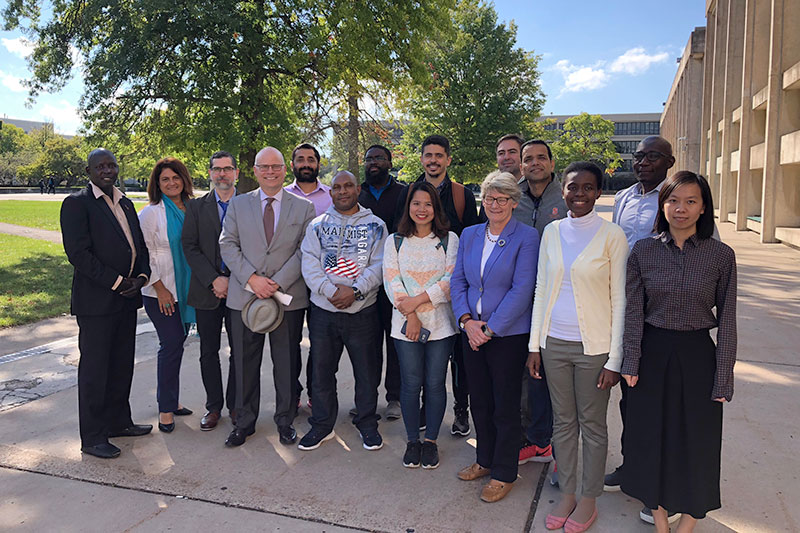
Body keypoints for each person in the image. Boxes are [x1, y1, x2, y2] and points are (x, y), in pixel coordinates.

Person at [621, 171, 737, 533]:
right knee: (648, 434)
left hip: (697, 353)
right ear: (662, 204)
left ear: (703, 208)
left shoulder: (720, 256)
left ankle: (690, 518)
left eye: (690, 201)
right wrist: (631, 360)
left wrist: (724, 376)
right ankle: (657, 516)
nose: (680, 209)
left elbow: (728, 318)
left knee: (698, 438)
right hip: (653, 351)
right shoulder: (644, 250)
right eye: (673, 200)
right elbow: (634, 311)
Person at [526, 162, 627, 532]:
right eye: (573, 187)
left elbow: (621, 301)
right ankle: (567, 492)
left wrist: (614, 358)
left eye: (587, 188)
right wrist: (535, 345)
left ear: (598, 192)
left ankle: (589, 499)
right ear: (563, 190)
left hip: (594, 348)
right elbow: (540, 290)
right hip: (554, 344)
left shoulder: (612, 236)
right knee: (564, 424)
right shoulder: (552, 232)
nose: (579, 194)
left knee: (593, 425)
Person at [451, 170, 539, 503]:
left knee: (504, 405)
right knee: (480, 401)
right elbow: (458, 281)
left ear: (514, 202)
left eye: (503, 198)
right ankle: (484, 459)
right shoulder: (470, 234)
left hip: (506, 336)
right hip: (470, 331)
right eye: (489, 197)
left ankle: (504, 471)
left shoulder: (527, 237)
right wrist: (467, 322)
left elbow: (522, 289)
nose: (495, 204)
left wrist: (489, 328)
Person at [219, 146, 315, 447]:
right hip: (245, 298)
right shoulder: (238, 205)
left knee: (286, 362)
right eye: (264, 167)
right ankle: (244, 422)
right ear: (255, 170)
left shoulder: (303, 207)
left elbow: (305, 250)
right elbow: (228, 246)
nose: (270, 172)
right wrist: (252, 279)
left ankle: (285, 421)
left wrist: (275, 283)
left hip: (287, 299)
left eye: (276, 166)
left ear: (285, 169)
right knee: (245, 362)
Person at [60, 148, 152, 459]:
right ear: (88, 171)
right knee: (95, 371)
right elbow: (78, 254)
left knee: (121, 365)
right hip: (97, 302)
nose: (107, 170)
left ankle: (118, 422)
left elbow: (139, 245)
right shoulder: (77, 204)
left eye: (111, 164)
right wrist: (116, 282)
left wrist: (140, 277)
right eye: (100, 166)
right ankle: (93, 436)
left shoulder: (125, 202)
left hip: (127, 300)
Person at [607, 135, 680, 524]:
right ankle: (631, 468)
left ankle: (661, 486)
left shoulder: (677, 198)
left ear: (669, 161)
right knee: (630, 397)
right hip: (626, 307)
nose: (643, 162)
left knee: (660, 402)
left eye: (652, 156)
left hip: (664, 312)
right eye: (638, 156)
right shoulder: (623, 198)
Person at [396, 134, 480, 436]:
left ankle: (460, 409)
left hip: (452, 289)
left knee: (457, 358)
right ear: (421, 159)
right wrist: (411, 303)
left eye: (439, 155)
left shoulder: (461, 195)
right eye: (428, 155)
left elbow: (471, 240)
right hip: (415, 293)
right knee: (419, 366)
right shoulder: (409, 193)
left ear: (447, 159)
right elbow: (400, 242)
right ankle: (422, 409)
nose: (433, 160)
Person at [298, 171, 387, 451]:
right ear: (331, 192)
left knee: (367, 373)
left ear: (358, 189)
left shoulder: (376, 226)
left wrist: (355, 290)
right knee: (322, 372)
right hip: (324, 312)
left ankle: (367, 423)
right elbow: (310, 263)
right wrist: (330, 291)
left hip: (363, 312)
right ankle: (322, 424)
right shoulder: (317, 226)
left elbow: (380, 264)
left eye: (348, 186)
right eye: (337, 187)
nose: (342, 191)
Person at [383, 181, 459, 469]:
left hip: (440, 325)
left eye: (428, 204)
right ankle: (413, 441)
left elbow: (450, 283)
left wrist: (417, 303)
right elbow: (392, 281)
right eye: (416, 203)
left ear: (435, 208)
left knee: (436, 384)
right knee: (411, 384)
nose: (422, 209)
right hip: (406, 326)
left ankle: (431, 443)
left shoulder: (450, 240)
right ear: (408, 207)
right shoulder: (395, 241)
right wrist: (411, 315)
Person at [515, 139, 567, 469]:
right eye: (528, 159)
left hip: (559, 299)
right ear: (521, 165)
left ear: (550, 162)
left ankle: (552, 441)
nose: (535, 163)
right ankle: (529, 438)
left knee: (553, 374)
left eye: (540, 158)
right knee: (524, 372)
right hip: (519, 299)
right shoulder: (511, 196)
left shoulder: (566, 196)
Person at [182, 151, 239, 431]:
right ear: (210, 173)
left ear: (236, 173)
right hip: (207, 291)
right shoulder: (195, 207)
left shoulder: (249, 204)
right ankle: (214, 407)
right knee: (208, 352)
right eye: (217, 169)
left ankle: (237, 406)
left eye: (227, 169)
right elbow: (189, 247)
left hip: (241, 290)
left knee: (240, 352)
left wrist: (233, 279)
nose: (222, 174)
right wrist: (214, 279)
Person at [138, 158, 196, 432]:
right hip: (161, 292)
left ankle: (172, 401)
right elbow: (143, 254)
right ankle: (165, 409)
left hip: (187, 290)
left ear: (184, 179)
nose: (171, 183)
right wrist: (160, 288)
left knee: (177, 345)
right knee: (171, 344)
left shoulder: (193, 208)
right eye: (165, 179)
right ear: (157, 184)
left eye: (176, 177)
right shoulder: (151, 213)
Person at [358, 144, 406, 421]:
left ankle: (394, 398)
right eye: (369, 158)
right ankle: (367, 398)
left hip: (396, 280)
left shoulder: (402, 193)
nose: (373, 162)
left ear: (389, 161)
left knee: (394, 341)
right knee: (368, 344)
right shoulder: (357, 195)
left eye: (378, 158)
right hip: (364, 281)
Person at [284, 143, 331, 409]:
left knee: (319, 343)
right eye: (300, 159)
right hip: (289, 281)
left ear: (318, 164)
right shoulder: (282, 195)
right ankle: (292, 395)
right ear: (292, 165)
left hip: (323, 281)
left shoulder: (331, 197)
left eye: (310, 159)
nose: (305, 164)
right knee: (289, 343)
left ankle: (316, 393)